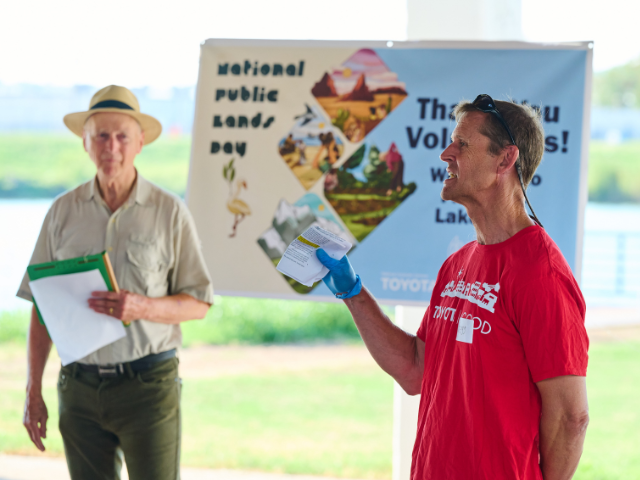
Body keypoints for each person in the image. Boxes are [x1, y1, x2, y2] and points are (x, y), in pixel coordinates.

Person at [316, 95, 590, 479]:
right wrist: (353, 293)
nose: (446, 153)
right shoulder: (457, 264)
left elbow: (570, 417)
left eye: (461, 144)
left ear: (505, 160)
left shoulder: (540, 272)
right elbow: (415, 370)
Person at [17, 85, 214, 480]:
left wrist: (142, 307)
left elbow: (199, 303)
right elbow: (42, 308)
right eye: (101, 136)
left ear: (140, 142)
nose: (112, 147)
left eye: (122, 136)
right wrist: (32, 389)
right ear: (85, 143)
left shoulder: (170, 212)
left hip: (149, 388)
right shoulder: (61, 213)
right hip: (79, 390)